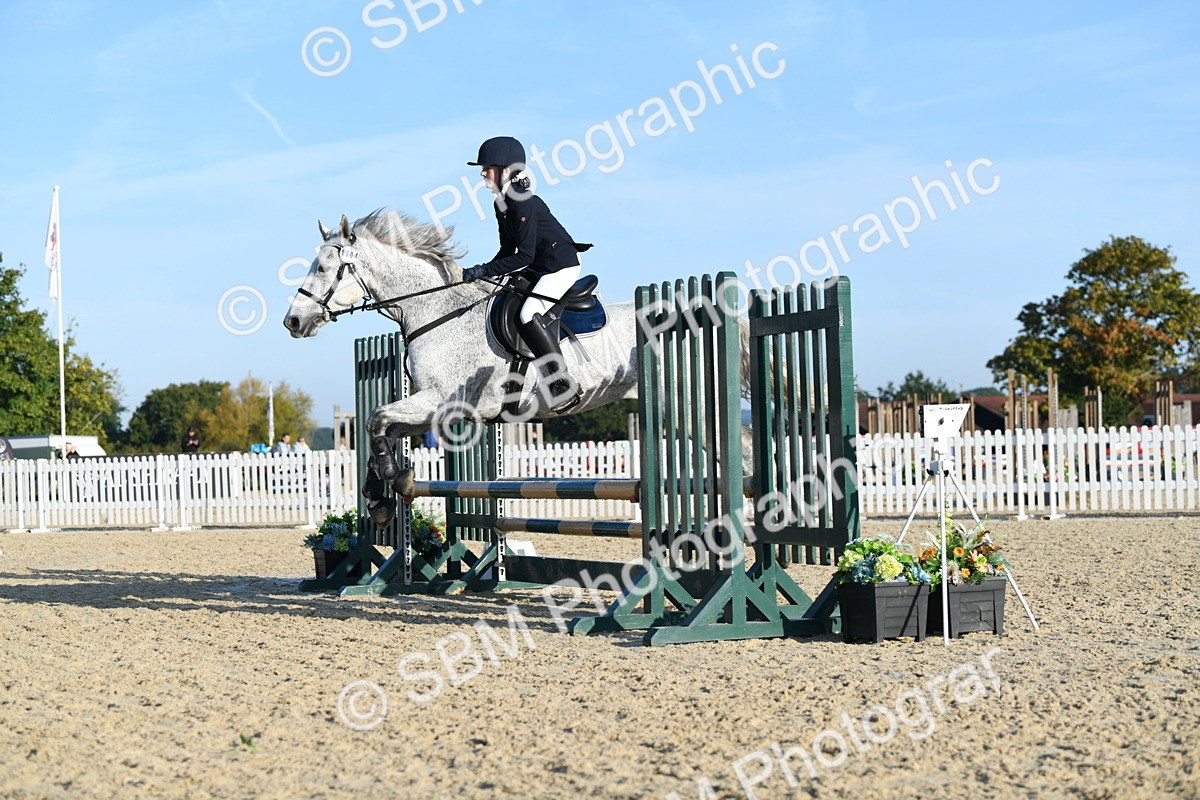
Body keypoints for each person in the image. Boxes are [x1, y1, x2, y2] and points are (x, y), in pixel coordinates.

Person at [461, 136, 591, 413]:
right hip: (540, 265)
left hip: (561, 265)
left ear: (506, 169)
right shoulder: (501, 203)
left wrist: (487, 270)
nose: (482, 172)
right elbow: (507, 249)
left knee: (527, 313)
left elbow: (523, 256)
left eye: (488, 167)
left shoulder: (523, 201)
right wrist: (483, 271)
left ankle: (562, 383)